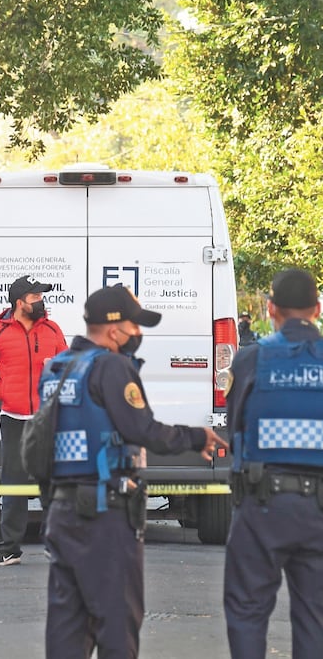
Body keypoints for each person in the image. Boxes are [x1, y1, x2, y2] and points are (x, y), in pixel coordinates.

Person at [42, 284, 228, 657]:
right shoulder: (112, 366)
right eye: (134, 325)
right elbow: (141, 429)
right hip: (105, 515)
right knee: (117, 623)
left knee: (68, 628)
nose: (138, 334)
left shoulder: (58, 368)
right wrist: (196, 438)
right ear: (114, 330)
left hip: (62, 514)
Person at [224, 269, 323, 659]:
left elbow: (235, 429)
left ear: (270, 309)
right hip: (319, 511)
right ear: (316, 309)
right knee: (315, 616)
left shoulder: (251, 360)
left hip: (262, 505)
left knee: (248, 610)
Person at [0, 275, 68, 567]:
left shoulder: (53, 330)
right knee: (13, 483)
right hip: (13, 419)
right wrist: (3, 393)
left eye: (42, 296)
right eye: (36, 297)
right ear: (20, 303)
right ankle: (10, 549)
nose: (41, 301)